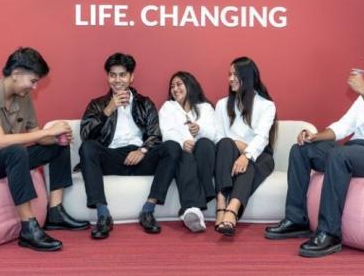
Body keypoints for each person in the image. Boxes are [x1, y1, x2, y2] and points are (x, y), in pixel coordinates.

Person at [265, 33, 364, 257]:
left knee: (341, 155)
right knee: (300, 150)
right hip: (355, 150)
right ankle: (296, 219)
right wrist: (314, 136)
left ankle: (330, 233)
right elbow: (342, 127)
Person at [0, 47, 89, 252]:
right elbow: (0, 141)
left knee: (58, 146)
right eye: (33, 81)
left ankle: (55, 212)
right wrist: (45, 133)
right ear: (16, 74)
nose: (35, 87)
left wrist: (54, 135)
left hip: (9, 157)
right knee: (16, 150)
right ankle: (28, 227)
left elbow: (36, 133)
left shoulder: (23, 98)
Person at [78, 53, 181, 239]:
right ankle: (103, 214)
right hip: (111, 157)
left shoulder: (145, 103)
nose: (117, 80)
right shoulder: (97, 104)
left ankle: (148, 210)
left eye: (122, 75)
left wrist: (142, 150)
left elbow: (155, 135)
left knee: (172, 147)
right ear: (107, 77)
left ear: (131, 77)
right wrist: (108, 109)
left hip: (141, 157)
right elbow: (86, 136)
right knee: (87, 148)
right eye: (112, 75)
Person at [213, 57, 277, 236]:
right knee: (225, 143)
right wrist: (238, 146)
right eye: (229, 74)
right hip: (227, 154)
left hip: (260, 156)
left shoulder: (266, 106)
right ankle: (221, 203)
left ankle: (231, 209)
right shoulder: (221, 105)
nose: (230, 78)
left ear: (248, 77)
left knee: (250, 162)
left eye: (236, 75)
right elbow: (219, 137)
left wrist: (246, 154)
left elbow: (262, 137)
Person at [158, 71, 217, 232]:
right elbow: (167, 133)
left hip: (204, 152)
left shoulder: (205, 108)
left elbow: (214, 134)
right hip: (183, 152)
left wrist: (199, 130)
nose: (175, 89)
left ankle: (194, 205)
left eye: (179, 84)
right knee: (185, 156)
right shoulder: (168, 107)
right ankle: (193, 209)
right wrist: (183, 142)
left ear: (190, 85)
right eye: (172, 86)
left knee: (205, 143)